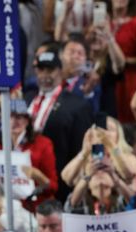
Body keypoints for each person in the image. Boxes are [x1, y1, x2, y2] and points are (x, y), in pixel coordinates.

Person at [26, 50, 94, 191]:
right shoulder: (26, 99)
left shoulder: (77, 105)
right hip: (27, 179)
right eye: (41, 69)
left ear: (61, 71)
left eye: (50, 70)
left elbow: (81, 148)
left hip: (60, 182)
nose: (45, 75)